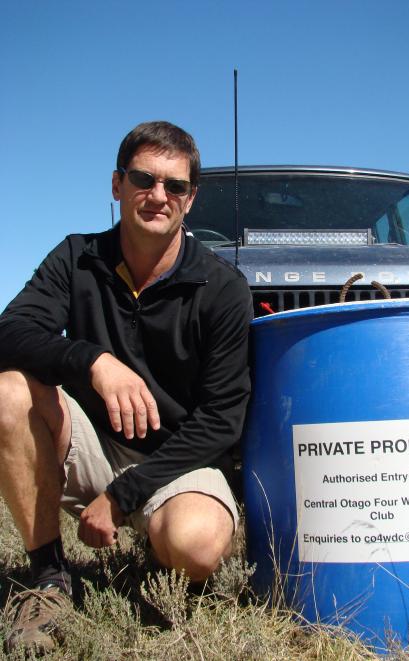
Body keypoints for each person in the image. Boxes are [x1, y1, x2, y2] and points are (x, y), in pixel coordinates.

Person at [0, 120, 253, 653]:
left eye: (175, 186)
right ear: (117, 185)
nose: (158, 195)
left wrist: (122, 496)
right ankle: (46, 579)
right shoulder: (77, 257)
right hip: (89, 443)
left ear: (190, 200)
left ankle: (156, 542)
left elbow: (222, 420)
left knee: (197, 546)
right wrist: (93, 360)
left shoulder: (223, 288)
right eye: (144, 179)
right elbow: (10, 333)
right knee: (7, 391)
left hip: (176, 461)